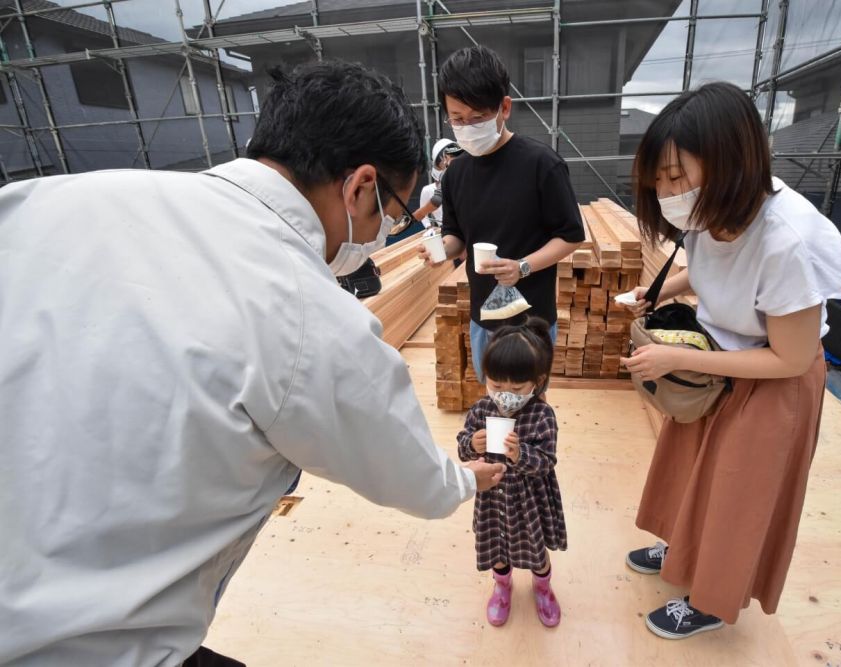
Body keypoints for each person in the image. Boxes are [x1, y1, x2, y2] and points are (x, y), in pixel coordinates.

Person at [0, 61, 504, 667]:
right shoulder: (309, 316)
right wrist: (464, 478)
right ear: (361, 186)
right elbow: (409, 474)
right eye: (390, 215)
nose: (383, 232)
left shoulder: (48, 198)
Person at [620, 82, 841, 639]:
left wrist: (675, 354)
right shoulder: (712, 211)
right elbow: (708, 269)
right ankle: (681, 549)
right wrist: (661, 292)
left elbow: (791, 359)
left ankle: (711, 601)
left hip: (771, 380)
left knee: (739, 491)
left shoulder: (786, 241)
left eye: (677, 177)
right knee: (692, 460)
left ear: (728, 162)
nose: (668, 192)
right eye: (659, 181)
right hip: (722, 356)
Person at [418, 45, 585, 382]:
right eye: (457, 119)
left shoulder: (541, 164)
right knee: (493, 399)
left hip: (532, 321)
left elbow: (570, 236)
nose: (466, 127)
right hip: (482, 318)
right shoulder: (455, 174)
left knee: (529, 410)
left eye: (477, 117)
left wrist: (522, 267)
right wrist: (440, 250)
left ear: (504, 108)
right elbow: (457, 235)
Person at [456, 317, 566, 627]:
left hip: (530, 498)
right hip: (492, 497)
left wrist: (521, 454)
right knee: (497, 545)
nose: (505, 393)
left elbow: (547, 461)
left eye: (517, 387)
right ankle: (502, 587)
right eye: (496, 384)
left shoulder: (542, 415)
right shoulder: (480, 410)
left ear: (538, 380)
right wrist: (471, 443)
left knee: (535, 546)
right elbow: (462, 448)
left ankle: (542, 587)